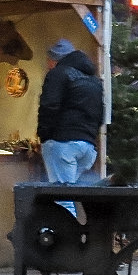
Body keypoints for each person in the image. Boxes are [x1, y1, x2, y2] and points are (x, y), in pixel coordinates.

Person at [37, 38, 104, 216]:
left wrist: (44, 135)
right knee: (70, 193)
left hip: (63, 143)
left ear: (54, 60)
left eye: (49, 61)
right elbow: (100, 115)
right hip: (88, 148)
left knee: (63, 200)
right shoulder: (93, 80)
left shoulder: (58, 74)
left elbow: (49, 106)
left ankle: (68, 242)